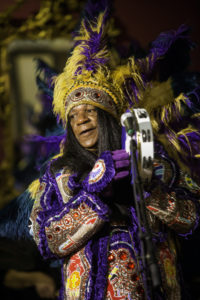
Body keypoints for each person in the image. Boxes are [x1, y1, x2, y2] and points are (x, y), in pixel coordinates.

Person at [25, 3, 200, 300]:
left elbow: (192, 218)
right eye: (73, 115)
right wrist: (93, 195)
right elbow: (47, 241)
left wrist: (145, 189)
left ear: (107, 118)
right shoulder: (59, 175)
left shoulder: (157, 162)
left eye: (90, 111)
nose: (80, 119)